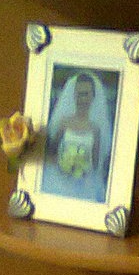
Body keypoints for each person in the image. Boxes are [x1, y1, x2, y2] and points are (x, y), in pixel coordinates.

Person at [42, 70, 112, 203]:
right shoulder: (64, 123)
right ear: (74, 95)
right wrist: (64, 167)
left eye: (86, 94)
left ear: (93, 96)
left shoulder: (95, 130)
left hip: (85, 186)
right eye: (79, 94)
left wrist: (83, 171)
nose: (82, 99)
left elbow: (95, 165)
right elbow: (51, 153)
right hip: (59, 182)